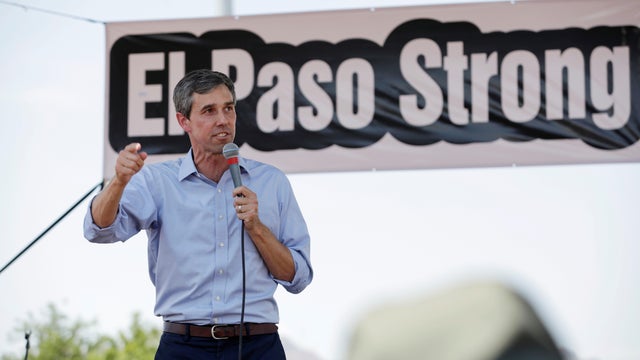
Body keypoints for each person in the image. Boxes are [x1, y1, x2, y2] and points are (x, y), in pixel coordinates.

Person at [83, 69, 313, 359]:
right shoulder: (157, 182)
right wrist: (118, 182)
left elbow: (298, 278)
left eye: (228, 108)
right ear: (184, 121)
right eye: (209, 110)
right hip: (183, 346)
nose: (223, 120)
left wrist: (256, 227)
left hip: (258, 344)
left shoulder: (272, 182)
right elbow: (99, 230)